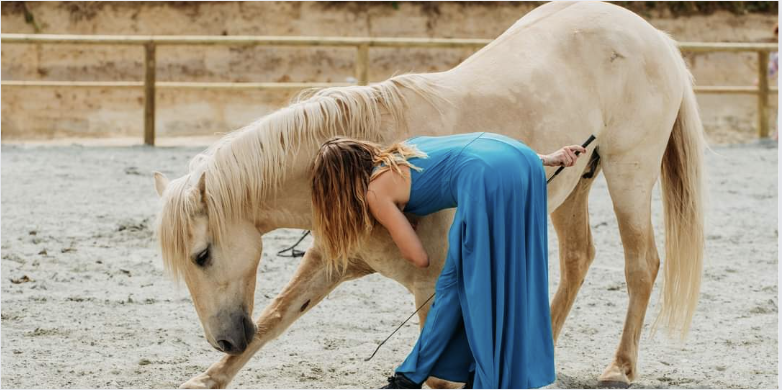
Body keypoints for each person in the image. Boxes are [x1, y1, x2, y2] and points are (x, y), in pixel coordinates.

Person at [310, 132, 586, 389]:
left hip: (486, 177)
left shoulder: (374, 192)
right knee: (500, 274)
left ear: (338, 183)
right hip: (523, 157)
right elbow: (480, 152)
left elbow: (418, 258)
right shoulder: (407, 148)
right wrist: (550, 159)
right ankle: (418, 374)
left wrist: (395, 225)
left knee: (462, 285)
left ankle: (427, 377)